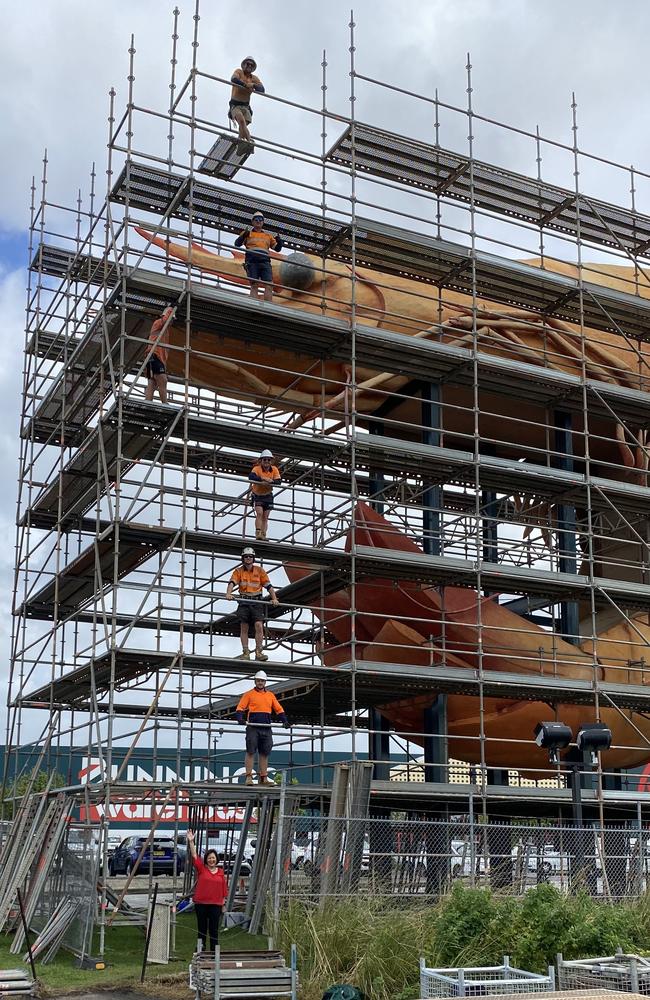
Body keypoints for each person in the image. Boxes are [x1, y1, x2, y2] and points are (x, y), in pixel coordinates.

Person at [236, 669, 290, 786]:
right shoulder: (249, 694)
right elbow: (240, 707)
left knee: (264, 753)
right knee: (251, 751)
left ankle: (263, 777)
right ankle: (249, 777)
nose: (260, 683)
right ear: (255, 681)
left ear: (265, 682)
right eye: (258, 681)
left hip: (266, 727)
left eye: (262, 681)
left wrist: (285, 721)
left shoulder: (270, 695)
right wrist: (240, 718)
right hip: (253, 727)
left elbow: (279, 709)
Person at [226, 547, 279, 661]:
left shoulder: (259, 571)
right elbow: (232, 582)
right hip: (244, 601)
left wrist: (274, 598)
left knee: (259, 626)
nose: (248, 558)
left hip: (256, 601)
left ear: (253, 558)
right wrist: (228, 593)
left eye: (250, 556)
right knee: (244, 627)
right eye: (246, 556)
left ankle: (259, 652)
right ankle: (246, 652)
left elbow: (268, 586)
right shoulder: (238, 571)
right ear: (243, 558)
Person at [186, 830, 228, 954]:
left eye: (213, 858)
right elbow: (194, 855)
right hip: (201, 904)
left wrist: (223, 903)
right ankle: (201, 949)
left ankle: (214, 951)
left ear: (216, 859)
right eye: (209, 858)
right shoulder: (202, 869)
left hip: (216, 905)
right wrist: (191, 841)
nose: (211, 860)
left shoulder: (220, 872)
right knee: (202, 928)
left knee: (214, 929)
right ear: (206, 860)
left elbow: (224, 889)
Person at [234, 212, 283, 302]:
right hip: (252, 261)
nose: (258, 221)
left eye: (260, 220)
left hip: (264, 261)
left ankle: (268, 305)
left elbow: (277, 248)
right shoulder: (247, 233)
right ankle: (254, 305)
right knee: (254, 284)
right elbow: (237, 244)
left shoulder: (268, 236)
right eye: (256, 219)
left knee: (269, 284)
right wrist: (243, 236)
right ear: (252, 222)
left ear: (263, 222)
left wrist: (279, 242)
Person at [229, 57, 265, 153]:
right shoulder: (239, 72)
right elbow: (233, 79)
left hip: (246, 107)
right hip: (235, 105)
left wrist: (253, 85)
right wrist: (245, 85)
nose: (249, 66)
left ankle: (240, 145)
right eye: (247, 64)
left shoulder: (254, 78)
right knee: (241, 122)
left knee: (243, 127)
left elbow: (262, 90)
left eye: (251, 65)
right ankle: (249, 142)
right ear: (243, 64)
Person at [249, 449, 281, 540]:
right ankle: (258, 533)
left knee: (265, 516)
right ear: (261, 461)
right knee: (259, 513)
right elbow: (251, 476)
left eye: (268, 460)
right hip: (258, 495)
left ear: (271, 461)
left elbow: (278, 481)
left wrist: (271, 481)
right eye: (265, 459)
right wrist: (263, 478)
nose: (267, 461)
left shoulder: (274, 469)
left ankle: (263, 534)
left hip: (268, 495)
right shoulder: (257, 469)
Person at [145, 304, 173, 404]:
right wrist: (170, 309)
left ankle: (147, 403)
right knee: (162, 380)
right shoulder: (158, 323)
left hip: (153, 357)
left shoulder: (165, 331)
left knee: (152, 383)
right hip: (154, 355)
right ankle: (165, 403)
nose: (171, 321)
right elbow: (165, 320)